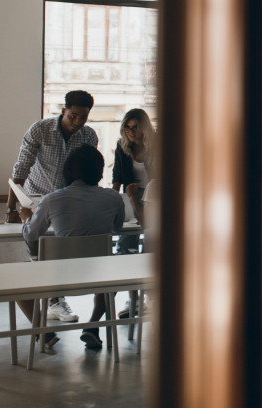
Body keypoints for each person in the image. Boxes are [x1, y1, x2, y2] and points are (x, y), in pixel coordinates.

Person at [17, 145, 125, 350]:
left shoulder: (52, 199)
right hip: (99, 276)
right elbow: (116, 228)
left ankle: (44, 332)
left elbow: (31, 234)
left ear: (68, 171)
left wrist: (26, 219)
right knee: (113, 275)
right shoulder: (113, 198)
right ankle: (92, 326)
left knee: (15, 283)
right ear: (99, 171)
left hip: (59, 279)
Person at [8, 89, 98, 323]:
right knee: (37, 247)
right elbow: (20, 170)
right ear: (63, 111)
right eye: (73, 116)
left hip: (69, 200)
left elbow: (90, 172)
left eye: (83, 117)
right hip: (37, 198)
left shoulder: (88, 136)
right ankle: (50, 298)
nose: (78, 122)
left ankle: (55, 300)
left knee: (60, 251)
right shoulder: (40, 129)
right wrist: (10, 209)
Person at [112, 108, 156, 251]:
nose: (131, 131)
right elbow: (117, 175)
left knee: (151, 235)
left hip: (153, 195)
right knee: (127, 238)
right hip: (132, 193)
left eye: (135, 127)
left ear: (144, 127)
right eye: (127, 127)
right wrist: (112, 199)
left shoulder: (157, 143)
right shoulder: (122, 145)